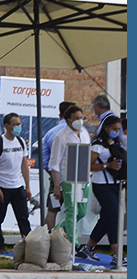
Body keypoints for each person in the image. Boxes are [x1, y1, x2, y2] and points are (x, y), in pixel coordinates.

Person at [77, 116, 126, 267]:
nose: (116, 132)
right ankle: (117, 254)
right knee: (114, 216)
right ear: (106, 128)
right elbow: (88, 165)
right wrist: (107, 165)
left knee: (107, 216)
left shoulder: (115, 143)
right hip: (101, 184)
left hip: (115, 183)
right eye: (114, 129)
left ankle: (89, 247)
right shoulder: (98, 145)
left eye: (118, 130)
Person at [0, 112, 32, 252]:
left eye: (19, 124)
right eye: (15, 124)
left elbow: (24, 165)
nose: (18, 127)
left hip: (17, 186)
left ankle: (29, 246)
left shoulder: (20, 142)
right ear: (7, 126)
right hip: (3, 186)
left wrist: (28, 186)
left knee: (23, 217)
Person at [47, 103, 91, 240]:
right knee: (71, 211)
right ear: (68, 120)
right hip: (68, 177)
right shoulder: (61, 136)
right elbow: (54, 164)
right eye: (76, 118)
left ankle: (56, 230)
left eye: (81, 117)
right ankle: (73, 243)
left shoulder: (84, 133)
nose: (80, 120)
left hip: (83, 177)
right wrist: (57, 186)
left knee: (82, 212)